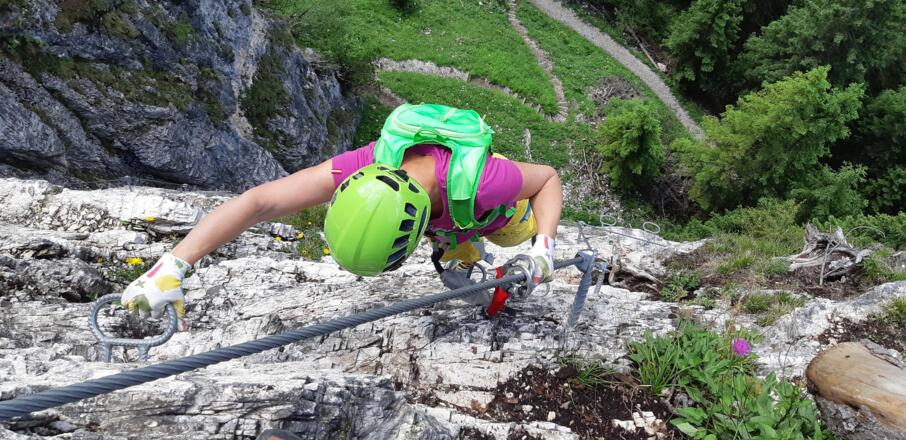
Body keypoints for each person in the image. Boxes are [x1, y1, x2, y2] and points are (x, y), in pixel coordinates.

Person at [121, 104, 563, 330]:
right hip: (443, 216)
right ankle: (454, 246)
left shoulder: (488, 181)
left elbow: (547, 180)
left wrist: (542, 244)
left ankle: (465, 242)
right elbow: (261, 202)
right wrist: (172, 266)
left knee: (508, 236)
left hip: (502, 216)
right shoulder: (367, 165)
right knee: (453, 252)